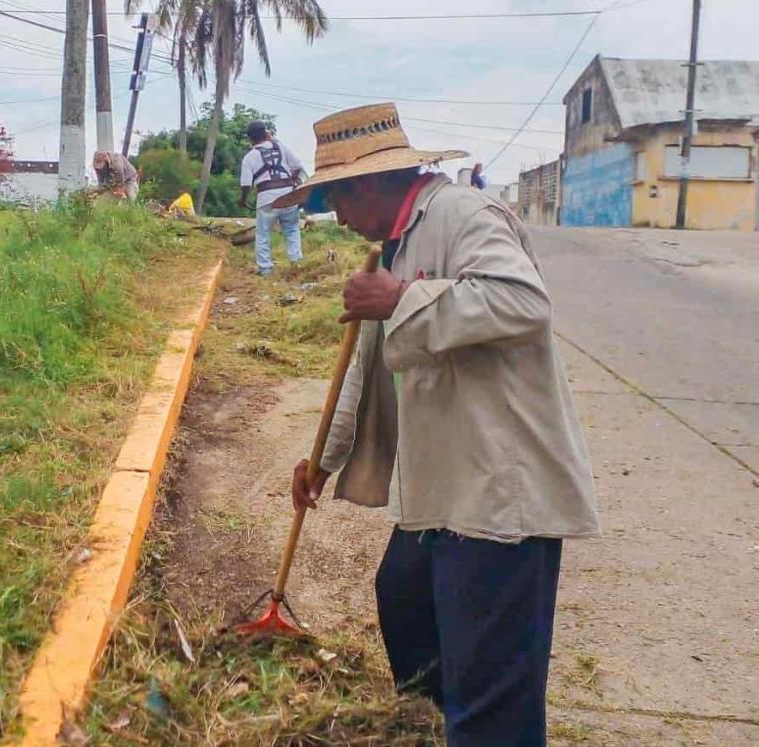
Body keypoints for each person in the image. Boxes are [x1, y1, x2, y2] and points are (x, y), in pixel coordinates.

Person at [272, 103, 600, 747]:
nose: (335, 215)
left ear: (370, 183)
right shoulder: (394, 244)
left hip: (500, 495)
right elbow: (364, 370)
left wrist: (400, 301)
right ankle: (430, 729)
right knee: (406, 608)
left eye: (335, 196)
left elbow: (524, 303)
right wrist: (325, 458)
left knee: (491, 691)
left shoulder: (464, 217)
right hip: (442, 486)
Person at [238, 121, 305, 276]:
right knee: (292, 229)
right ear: (266, 133)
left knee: (263, 234)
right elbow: (298, 167)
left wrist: (243, 200)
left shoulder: (249, 157)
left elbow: (246, 184)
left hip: (266, 197)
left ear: (249, 138)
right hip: (288, 194)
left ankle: (266, 269)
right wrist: (292, 181)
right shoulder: (281, 147)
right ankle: (296, 262)